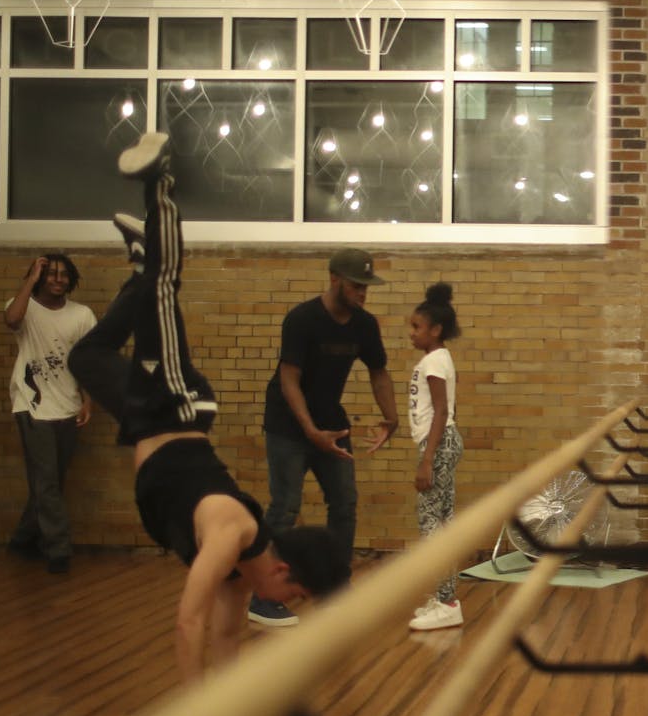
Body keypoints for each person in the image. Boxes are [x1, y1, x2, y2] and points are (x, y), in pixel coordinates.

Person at [68, 132, 349, 683]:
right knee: (164, 290)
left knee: (86, 355)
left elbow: (223, 636)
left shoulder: (240, 571)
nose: (282, 603)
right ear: (284, 571)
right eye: (292, 598)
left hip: (147, 418)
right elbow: (186, 623)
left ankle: (141, 266)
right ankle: (160, 183)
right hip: (173, 405)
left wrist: (222, 715)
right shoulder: (231, 533)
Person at [250, 246, 400, 626]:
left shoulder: (365, 325)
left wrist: (391, 419)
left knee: (345, 503)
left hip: (331, 421)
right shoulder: (302, 319)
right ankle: (263, 597)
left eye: (367, 286)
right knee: (285, 506)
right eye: (356, 285)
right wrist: (310, 431)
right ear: (335, 278)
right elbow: (289, 379)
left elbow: (378, 372)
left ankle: (336, 588)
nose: (363, 293)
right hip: (288, 423)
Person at [4, 252, 96, 574]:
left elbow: (86, 361)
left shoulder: (82, 315)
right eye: (50, 274)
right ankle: (58, 550)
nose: (58, 280)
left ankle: (22, 539)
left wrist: (87, 400)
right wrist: (29, 279)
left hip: (68, 406)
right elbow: (11, 320)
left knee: (51, 481)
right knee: (47, 482)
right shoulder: (24, 306)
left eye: (63, 275)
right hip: (32, 405)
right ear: (40, 277)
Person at [406, 283, 466, 632]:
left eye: (417, 327)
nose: (412, 334)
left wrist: (427, 459)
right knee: (441, 521)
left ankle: (446, 603)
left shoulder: (434, 361)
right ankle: (446, 599)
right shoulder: (437, 359)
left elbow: (442, 411)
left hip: (438, 445)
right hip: (442, 443)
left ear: (436, 330)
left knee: (432, 525)